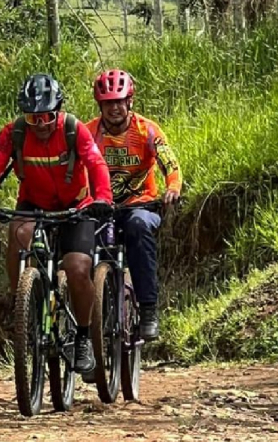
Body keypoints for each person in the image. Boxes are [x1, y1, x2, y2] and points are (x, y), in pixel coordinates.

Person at [0, 73, 113, 373]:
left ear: (57, 111)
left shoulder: (73, 129)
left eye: (47, 117)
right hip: (34, 205)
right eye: (33, 119)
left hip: (77, 206)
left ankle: (83, 336)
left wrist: (103, 199)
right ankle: (21, 303)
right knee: (18, 234)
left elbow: (96, 163)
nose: (41, 124)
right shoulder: (15, 133)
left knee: (77, 268)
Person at [86, 69, 182, 341]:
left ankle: (149, 309)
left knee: (138, 229)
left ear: (130, 101)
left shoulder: (147, 130)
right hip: (101, 206)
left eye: (119, 101)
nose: (114, 108)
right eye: (108, 103)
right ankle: (84, 328)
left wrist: (173, 187)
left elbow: (170, 162)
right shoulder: (89, 132)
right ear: (100, 105)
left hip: (141, 205)